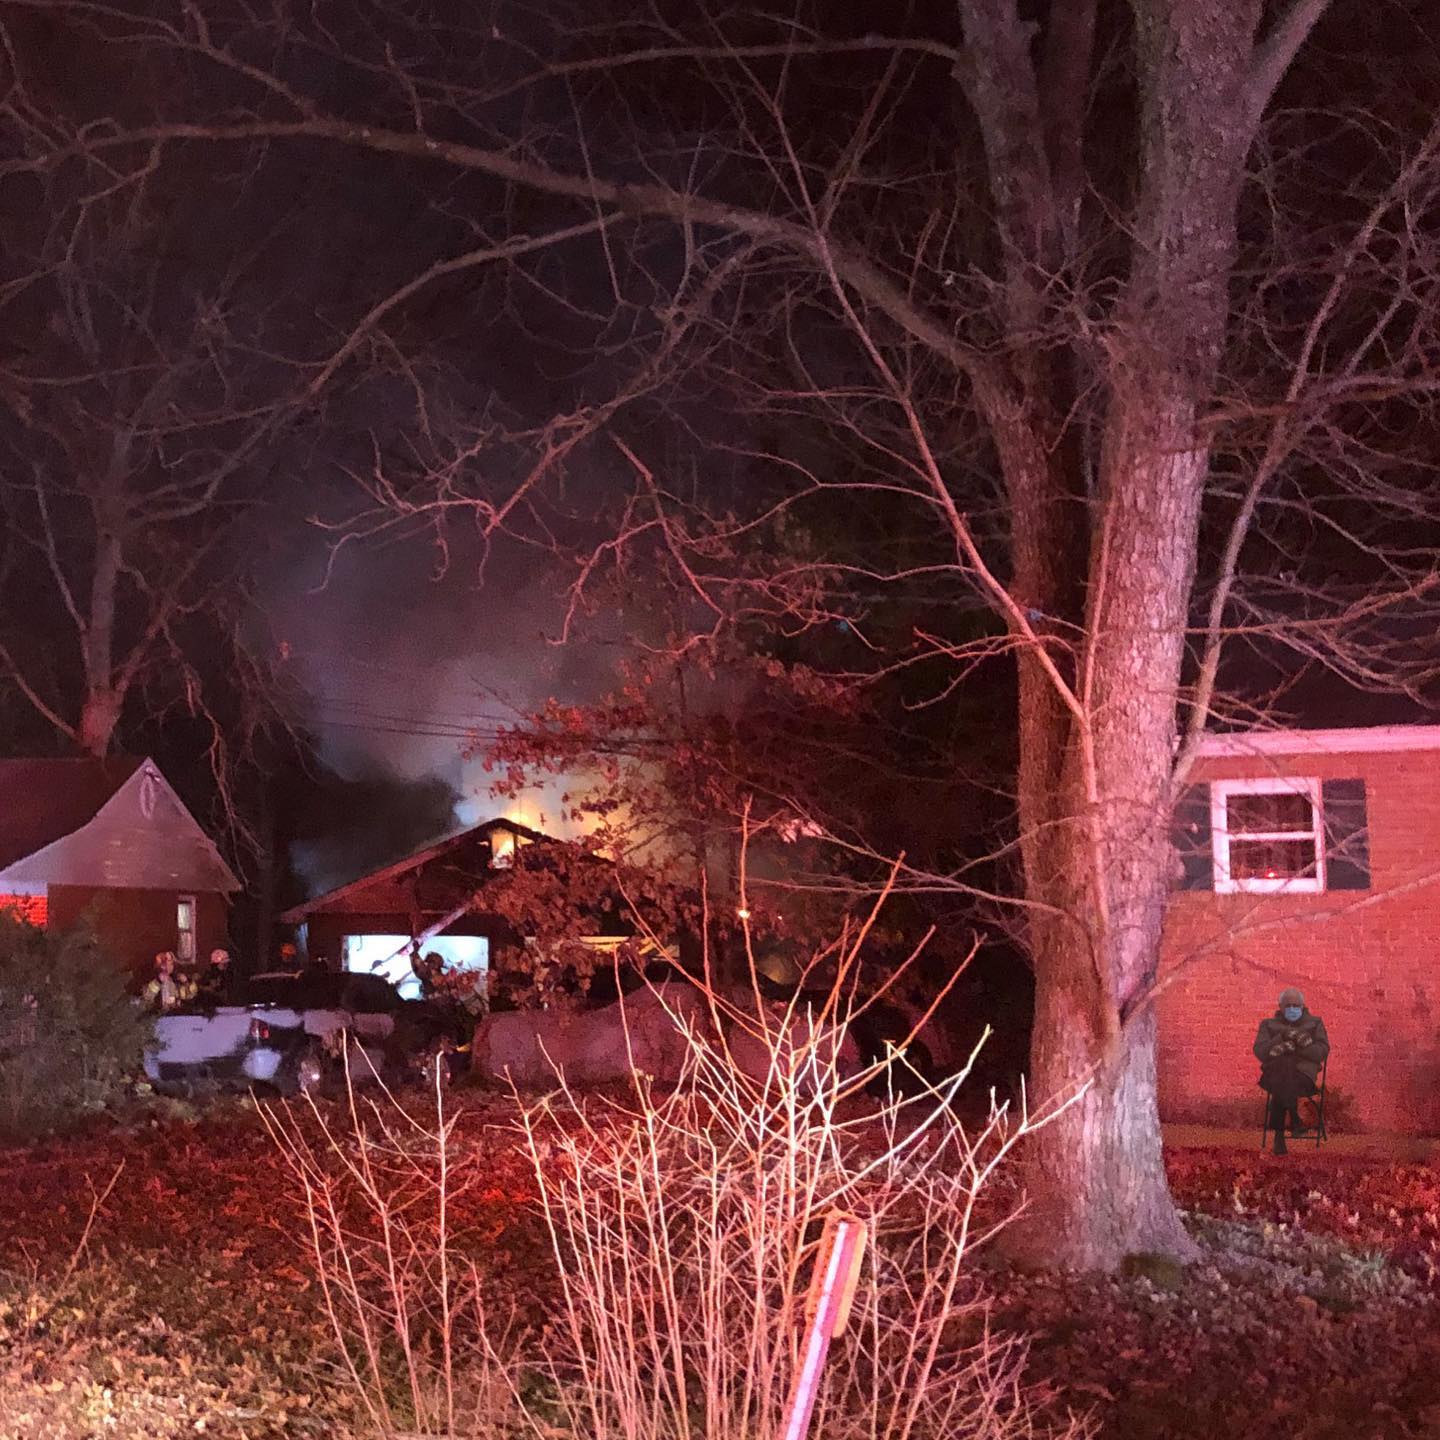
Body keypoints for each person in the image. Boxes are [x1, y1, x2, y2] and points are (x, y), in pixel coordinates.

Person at [1254, 987, 1329, 1155]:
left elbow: (1321, 1052)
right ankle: (1295, 1120)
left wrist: (1294, 1046)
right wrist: (1281, 1037)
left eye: (1296, 1006)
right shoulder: (1268, 1025)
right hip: (1275, 1074)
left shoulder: (1314, 1023)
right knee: (1283, 1068)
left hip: (1302, 1077)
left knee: (1283, 1070)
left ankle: (1279, 1137)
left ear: (1302, 1007)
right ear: (1280, 1007)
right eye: (1288, 1006)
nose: (1292, 1009)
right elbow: (1260, 1051)